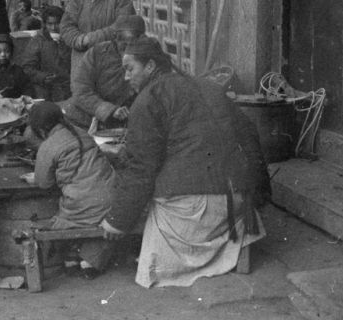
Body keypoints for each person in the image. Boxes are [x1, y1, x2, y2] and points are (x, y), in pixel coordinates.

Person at [101, 36, 269, 290]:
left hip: (194, 211)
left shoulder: (148, 99)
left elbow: (141, 169)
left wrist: (117, 220)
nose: (126, 77)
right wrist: (259, 195)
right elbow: (250, 137)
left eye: (129, 68)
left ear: (150, 67)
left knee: (149, 262)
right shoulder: (210, 87)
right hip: (237, 203)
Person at [26, 100, 120, 273]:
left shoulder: (48, 146)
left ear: (40, 130)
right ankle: (87, 261)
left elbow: (43, 183)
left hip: (85, 205)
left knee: (64, 218)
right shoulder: (82, 133)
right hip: (113, 198)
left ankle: (76, 258)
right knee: (95, 211)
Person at [70, 13, 146, 126]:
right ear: (115, 38)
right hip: (89, 120)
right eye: (124, 45)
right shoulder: (97, 53)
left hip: (131, 121)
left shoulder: (148, 56)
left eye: (134, 44)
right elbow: (81, 91)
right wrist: (109, 110)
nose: (129, 49)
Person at [12, 8, 73, 102]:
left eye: (57, 23)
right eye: (50, 24)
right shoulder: (38, 40)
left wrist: (62, 45)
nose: (53, 28)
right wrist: (42, 77)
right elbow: (27, 67)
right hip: (45, 89)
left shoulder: (70, 39)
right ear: (44, 24)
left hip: (68, 88)